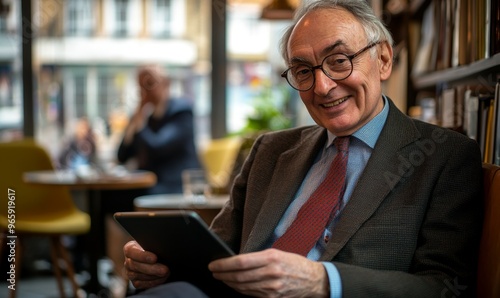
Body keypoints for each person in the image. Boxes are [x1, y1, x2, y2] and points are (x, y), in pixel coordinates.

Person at [122, 1, 483, 297]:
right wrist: (160, 265)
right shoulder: (269, 150)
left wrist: (323, 282)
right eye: (303, 70)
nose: (323, 86)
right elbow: (217, 251)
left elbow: (445, 287)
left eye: (339, 61)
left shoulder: (445, 157)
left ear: (384, 60)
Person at [116, 64, 201, 196]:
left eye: (149, 83)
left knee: (128, 197)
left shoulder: (181, 111)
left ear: (166, 83)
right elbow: (122, 155)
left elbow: (158, 146)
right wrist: (137, 116)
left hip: (175, 185)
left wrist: (140, 123)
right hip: (153, 183)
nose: (145, 90)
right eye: (140, 85)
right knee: (108, 197)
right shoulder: (147, 118)